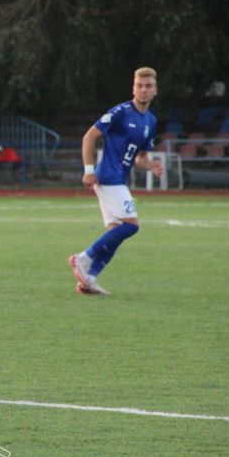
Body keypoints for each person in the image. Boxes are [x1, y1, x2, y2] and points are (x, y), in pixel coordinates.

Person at [69, 66, 163, 295]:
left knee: (115, 232)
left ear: (155, 91)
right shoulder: (121, 111)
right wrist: (88, 170)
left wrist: (150, 165)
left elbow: (140, 157)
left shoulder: (150, 121)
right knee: (131, 226)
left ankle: (89, 279)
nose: (143, 90)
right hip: (108, 176)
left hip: (118, 178)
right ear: (133, 88)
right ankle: (83, 259)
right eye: (139, 85)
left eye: (148, 86)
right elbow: (89, 136)